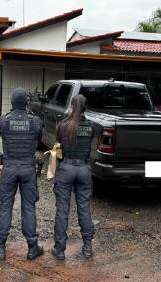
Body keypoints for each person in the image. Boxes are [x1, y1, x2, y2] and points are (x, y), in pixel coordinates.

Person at [0, 88, 44, 261]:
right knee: (29, 208)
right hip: (28, 169)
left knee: (5, 207)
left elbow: (1, 133)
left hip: (9, 169)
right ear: (26, 103)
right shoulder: (35, 121)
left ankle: (0, 248)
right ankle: (32, 247)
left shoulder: (3, 120)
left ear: (12, 103)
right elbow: (39, 137)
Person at [51, 94, 95, 260]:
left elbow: (58, 149)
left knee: (62, 209)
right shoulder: (90, 127)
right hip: (84, 169)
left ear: (71, 106)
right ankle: (88, 247)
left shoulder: (63, 125)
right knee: (84, 207)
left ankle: (60, 249)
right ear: (85, 108)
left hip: (66, 169)